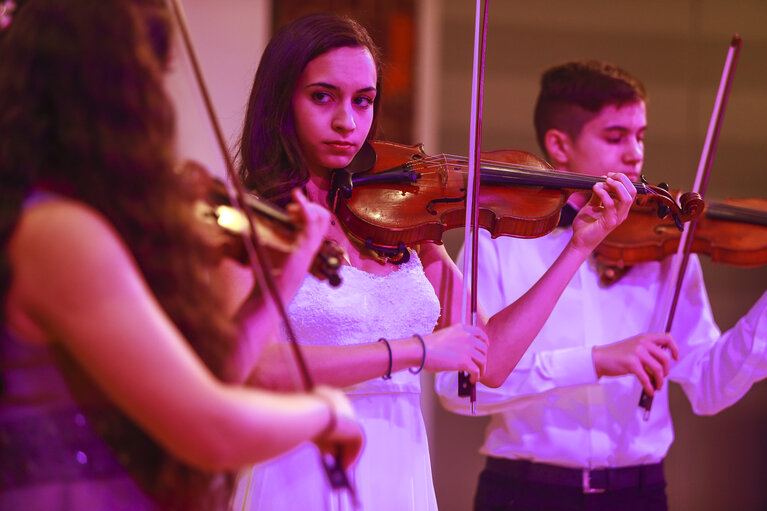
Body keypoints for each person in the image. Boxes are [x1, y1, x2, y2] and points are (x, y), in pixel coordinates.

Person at [232, 15, 637, 511]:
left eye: (363, 100)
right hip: (299, 465)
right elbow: (257, 370)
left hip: (399, 468)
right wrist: (417, 350)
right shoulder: (252, 223)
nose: (347, 122)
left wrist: (578, 247)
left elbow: (491, 361)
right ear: (281, 103)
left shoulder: (396, 219)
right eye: (323, 97)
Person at [0, 1, 364, 510]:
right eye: (154, 77)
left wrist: (277, 284)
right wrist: (325, 412)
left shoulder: (61, 221)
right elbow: (210, 426)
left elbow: (212, 379)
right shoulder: (59, 235)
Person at [436, 59, 767, 511]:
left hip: (640, 494)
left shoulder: (667, 247)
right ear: (559, 145)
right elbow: (459, 390)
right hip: (525, 493)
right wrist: (594, 361)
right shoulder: (499, 241)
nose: (635, 154)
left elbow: (710, 386)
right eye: (615, 136)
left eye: (640, 135)